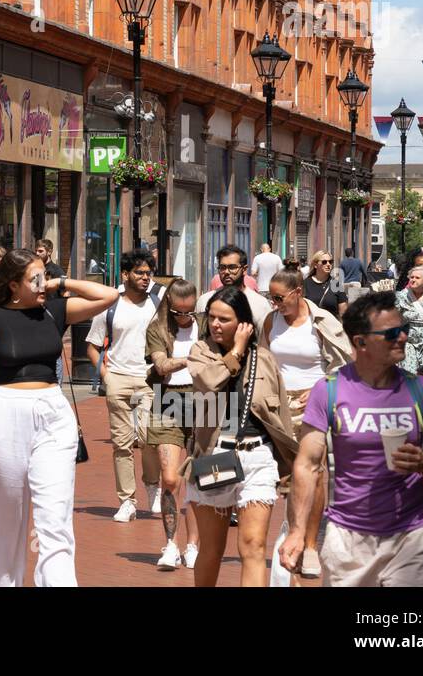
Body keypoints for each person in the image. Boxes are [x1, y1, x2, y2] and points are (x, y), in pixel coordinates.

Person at [280, 292, 423, 586]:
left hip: (412, 535)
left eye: (404, 330)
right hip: (349, 538)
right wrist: (298, 531)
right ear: (360, 342)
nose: (402, 337)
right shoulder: (329, 391)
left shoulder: (422, 390)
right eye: (391, 333)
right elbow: (308, 464)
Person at [0, 250, 117, 586]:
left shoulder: (54, 309)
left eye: (43, 275)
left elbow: (108, 295)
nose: (41, 283)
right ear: (14, 284)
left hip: (52, 412)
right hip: (5, 412)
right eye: (34, 278)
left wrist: (59, 281)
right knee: (5, 516)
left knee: (55, 515)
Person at [186, 286, 297, 587]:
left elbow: (280, 414)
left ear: (244, 323)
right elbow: (209, 382)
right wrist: (235, 352)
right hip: (215, 456)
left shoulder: (264, 359)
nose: (215, 324)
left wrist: (289, 465)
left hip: (257, 456)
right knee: (212, 548)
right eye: (211, 318)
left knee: (252, 546)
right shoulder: (200, 352)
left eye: (224, 318)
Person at [263, 267, 353, 581]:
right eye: (270, 297)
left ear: (298, 291)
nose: (275, 303)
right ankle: (292, 536)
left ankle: (311, 544)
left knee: (315, 474)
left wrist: (321, 391)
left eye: (279, 297)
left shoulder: (322, 322)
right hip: (277, 407)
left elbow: (344, 364)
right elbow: (263, 361)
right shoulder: (270, 320)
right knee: (285, 477)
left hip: (313, 404)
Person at [86, 250, 163, 522]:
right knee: (121, 444)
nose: (145, 278)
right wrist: (106, 375)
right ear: (125, 275)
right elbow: (92, 346)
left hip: (149, 379)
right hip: (118, 378)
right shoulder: (110, 305)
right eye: (140, 273)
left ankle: (152, 485)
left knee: (147, 439)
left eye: (148, 273)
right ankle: (127, 500)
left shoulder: (158, 303)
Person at [144, 279, 201, 569]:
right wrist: (192, 358)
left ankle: (193, 545)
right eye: (179, 312)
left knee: (198, 478)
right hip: (168, 401)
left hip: (206, 402)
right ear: (169, 306)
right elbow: (161, 366)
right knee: (170, 478)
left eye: (190, 311)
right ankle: (171, 545)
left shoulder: (208, 325)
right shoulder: (158, 329)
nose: (185, 317)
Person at [197, 245, 271, 326]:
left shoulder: (260, 304)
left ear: (244, 270)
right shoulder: (204, 300)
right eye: (222, 267)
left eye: (232, 267)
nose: (226, 272)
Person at [303, 250, 344, 318]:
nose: (328, 264)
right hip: (311, 326)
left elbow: (343, 312)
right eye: (324, 262)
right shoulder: (305, 284)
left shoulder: (336, 284)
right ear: (315, 265)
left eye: (330, 262)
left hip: (331, 327)